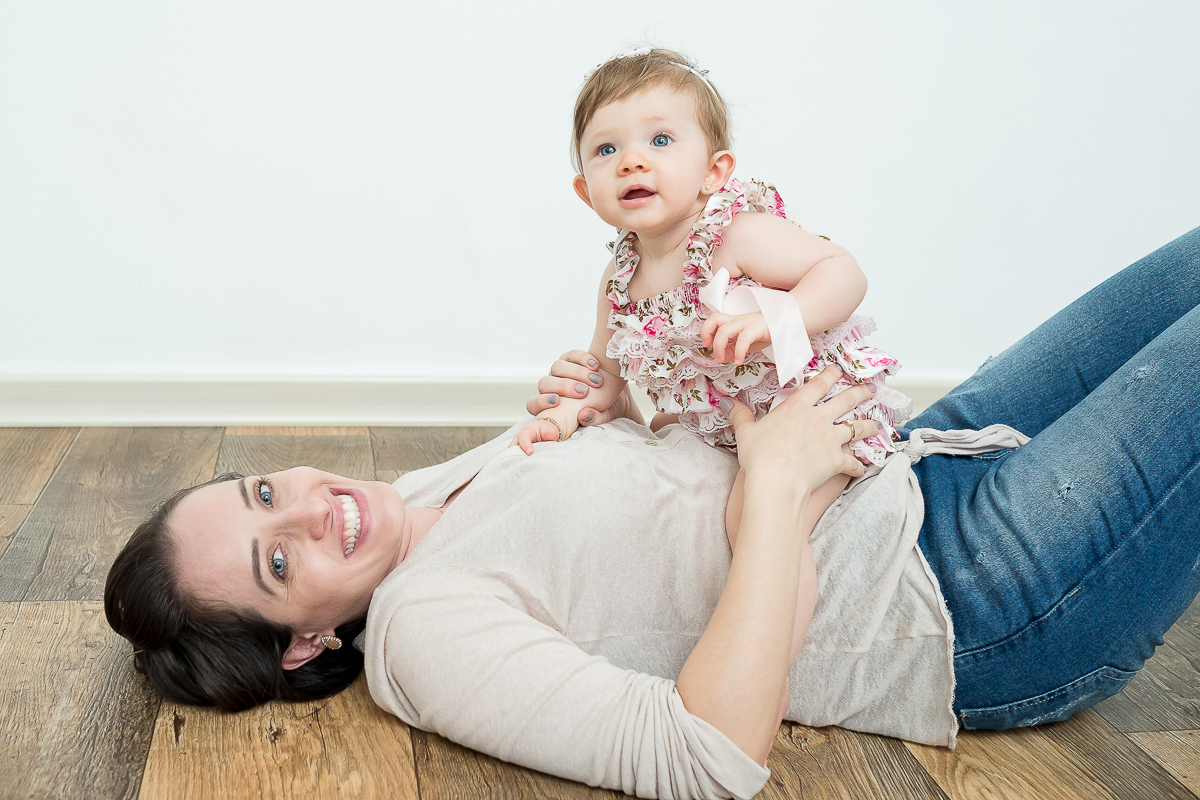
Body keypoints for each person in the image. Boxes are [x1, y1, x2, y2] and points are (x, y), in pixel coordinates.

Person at [105, 228, 1200, 800]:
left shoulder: (416, 498)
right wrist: (771, 490)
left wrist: (628, 395)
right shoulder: (420, 633)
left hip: (913, 454)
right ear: (302, 642)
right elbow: (705, 754)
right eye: (277, 560)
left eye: (264, 491)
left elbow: (645, 495)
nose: (310, 510)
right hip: (968, 589)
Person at [513, 47, 911, 467]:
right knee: (661, 439)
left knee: (752, 507)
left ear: (713, 173)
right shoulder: (620, 277)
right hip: (717, 429)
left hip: (809, 417)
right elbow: (607, 373)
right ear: (585, 194)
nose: (631, 162)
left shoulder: (734, 234)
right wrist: (562, 416)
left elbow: (843, 272)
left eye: (660, 140)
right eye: (606, 149)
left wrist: (773, 319)